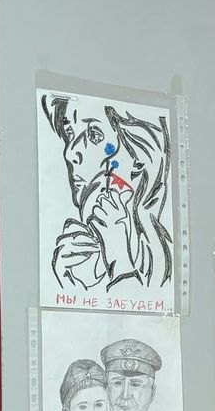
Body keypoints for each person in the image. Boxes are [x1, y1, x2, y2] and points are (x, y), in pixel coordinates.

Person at [42, 93, 172, 294]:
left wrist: (119, 260)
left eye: (94, 135)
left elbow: (143, 307)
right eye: (69, 132)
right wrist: (68, 287)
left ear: (139, 159)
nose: (70, 153)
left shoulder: (157, 261)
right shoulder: (83, 255)